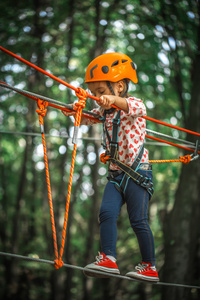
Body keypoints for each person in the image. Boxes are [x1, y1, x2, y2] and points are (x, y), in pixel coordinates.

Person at [63, 52, 159, 282]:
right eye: (94, 93)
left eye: (101, 92)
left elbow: (128, 106)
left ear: (119, 86)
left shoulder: (135, 104)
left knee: (138, 221)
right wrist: (71, 109)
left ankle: (150, 266)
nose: (98, 98)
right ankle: (108, 257)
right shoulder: (102, 111)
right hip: (116, 175)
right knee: (106, 213)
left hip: (137, 173)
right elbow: (85, 118)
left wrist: (113, 100)